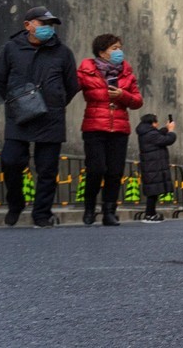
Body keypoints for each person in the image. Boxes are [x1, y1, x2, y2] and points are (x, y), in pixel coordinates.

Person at [0, 6, 80, 228]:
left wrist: (55, 102)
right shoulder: (12, 48)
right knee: (10, 160)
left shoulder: (63, 52)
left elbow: (72, 85)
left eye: (50, 24)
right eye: (42, 24)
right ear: (28, 25)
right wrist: (16, 103)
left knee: (47, 169)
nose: (48, 28)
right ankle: (16, 202)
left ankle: (41, 214)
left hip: (51, 118)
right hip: (19, 117)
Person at [77, 33, 143, 226]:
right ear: (102, 52)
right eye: (114, 48)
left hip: (119, 129)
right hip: (94, 127)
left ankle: (109, 211)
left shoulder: (127, 74)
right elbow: (70, 87)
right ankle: (89, 208)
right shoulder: (86, 71)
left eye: (120, 48)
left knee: (115, 172)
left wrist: (122, 95)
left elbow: (137, 101)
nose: (119, 51)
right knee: (96, 169)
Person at [135, 114, 176, 223]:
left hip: (152, 166)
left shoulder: (146, 132)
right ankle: (149, 214)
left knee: (154, 190)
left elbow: (158, 135)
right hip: (153, 166)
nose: (157, 124)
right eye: (156, 122)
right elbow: (167, 140)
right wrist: (171, 131)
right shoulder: (151, 134)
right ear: (152, 123)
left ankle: (151, 213)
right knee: (153, 192)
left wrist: (166, 128)